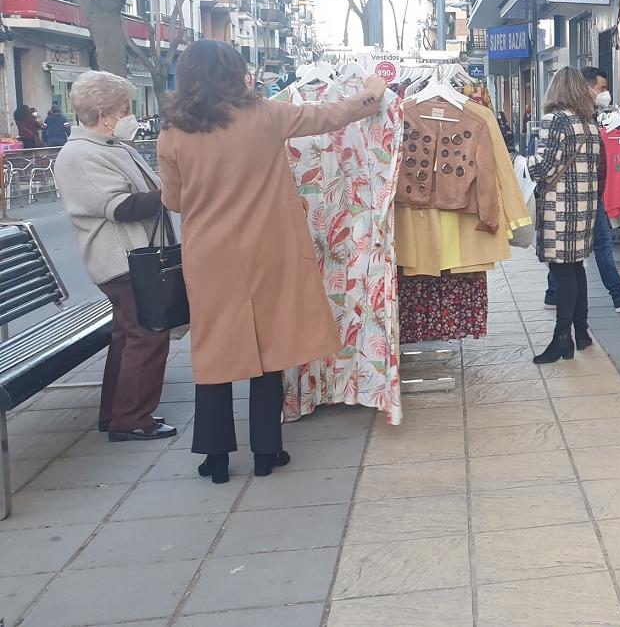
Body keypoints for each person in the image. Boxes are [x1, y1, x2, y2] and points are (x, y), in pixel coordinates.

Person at [158, 39, 387, 483]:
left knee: (214, 352)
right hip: (269, 248)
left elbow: (174, 200)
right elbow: (327, 116)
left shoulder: (173, 132)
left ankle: (217, 458)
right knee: (269, 347)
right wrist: (371, 94)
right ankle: (267, 450)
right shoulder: (266, 114)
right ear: (235, 73)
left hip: (209, 255)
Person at [54, 71, 176, 442]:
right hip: (122, 260)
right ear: (104, 114)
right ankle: (133, 418)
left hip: (135, 257)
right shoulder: (79, 154)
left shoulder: (110, 147)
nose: (129, 116)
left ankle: (117, 412)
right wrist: (178, 189)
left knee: (130, 334)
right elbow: (120, 207)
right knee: (147, 332)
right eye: (125, 109)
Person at [542, 66, 620, 313]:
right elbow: (547, 162)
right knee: (596, 246)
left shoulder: (587, 116)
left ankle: (554, 293)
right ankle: (618, 294)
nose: (605, 93)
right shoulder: (566, 119)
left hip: (589, 194)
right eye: (601, 88)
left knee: (572, 248)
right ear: (586, 87)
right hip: (580, 194)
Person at [528, 67, 603, 364]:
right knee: (576, 268)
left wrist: (522, 162)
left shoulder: (554, 120)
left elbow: (543, 167)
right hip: (584, 207)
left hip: (560, 207)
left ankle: (562, 340)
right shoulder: (590, 123)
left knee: (562, 271)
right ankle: (581, 333)